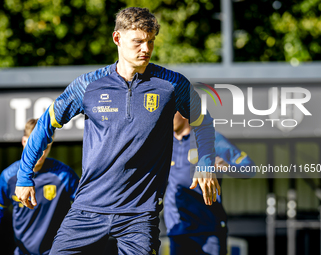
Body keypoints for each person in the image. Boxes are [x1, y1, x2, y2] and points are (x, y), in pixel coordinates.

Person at [15, 7, 219, 255]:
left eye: (151, 41)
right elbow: (46, 124)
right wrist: (25, 175)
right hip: (87, 210)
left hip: (139, 215)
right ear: (117, 39)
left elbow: (203, 121)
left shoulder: (172, 84)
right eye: (138, 41)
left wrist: (206, 162)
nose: (146, 48)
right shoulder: (88, 85)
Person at [164, 112, 256, 255]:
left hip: (208, 229)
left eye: (169, 112)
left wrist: (226, 166)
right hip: (177, 230)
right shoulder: (162, 142)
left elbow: (249, 168)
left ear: (183, 113)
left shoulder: (210, 139)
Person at [0, 119, 79, 255]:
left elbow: (86, 209)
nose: (41, 152)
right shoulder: (8, 176)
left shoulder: (65, 175)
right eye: (35, 145)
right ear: (24, 142)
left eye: (46, 146)